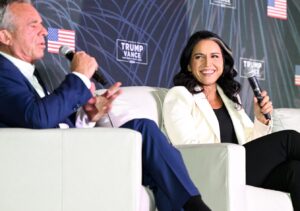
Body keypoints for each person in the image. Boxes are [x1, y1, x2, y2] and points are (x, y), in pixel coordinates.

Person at [0, 1, 212, 211]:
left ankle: (192, 205)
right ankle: (196, 207)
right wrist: (79, 75)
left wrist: (87, 116)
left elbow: (45, 122)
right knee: (146, 138)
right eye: (33, 25)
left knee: (146, 141)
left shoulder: (29, 73)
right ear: (4, 36)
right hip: (45, 166)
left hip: (64, 154)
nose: (44, 31)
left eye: (42, 24)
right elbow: (36, 117)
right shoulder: (3, 73)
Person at [163, 30, 300, 210]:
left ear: (223, 62)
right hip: (210, 171)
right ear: (189, 65)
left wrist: (260, 120)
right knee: (288, 139)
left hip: (238, 170)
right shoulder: (179, 95)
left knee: (295, 170)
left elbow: (250, 146)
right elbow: (188, 150)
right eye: (199, 57)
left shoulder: (230, 97)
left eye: (214, 56)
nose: (207, 63)